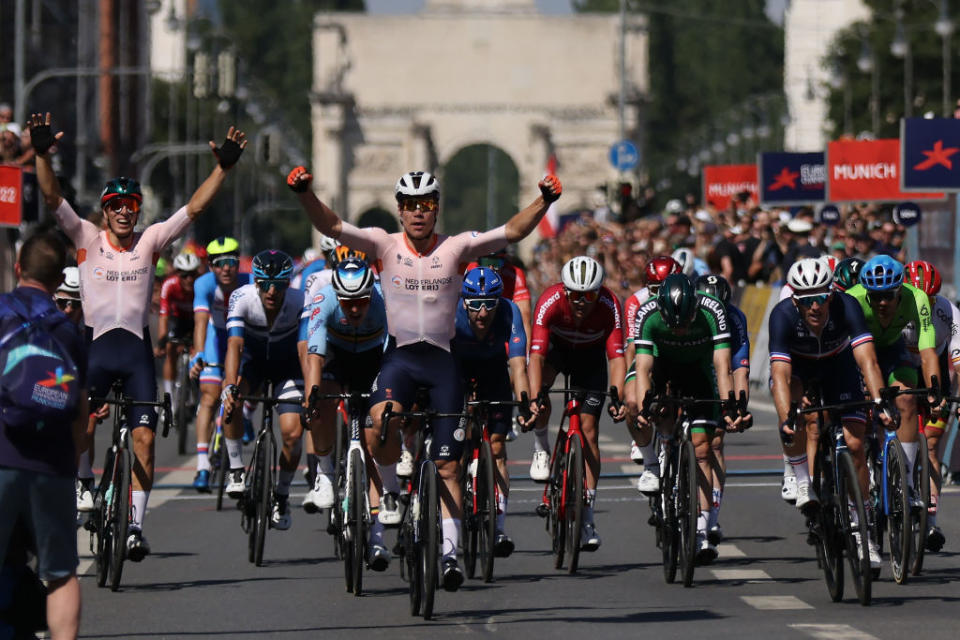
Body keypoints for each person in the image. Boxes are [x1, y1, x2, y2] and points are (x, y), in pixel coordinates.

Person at [288, 165, 560, 591]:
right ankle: (392, 492)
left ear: (436, 209)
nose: (418, 213)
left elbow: (511, 232)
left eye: (426, 205)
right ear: (400, 210)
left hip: (442, 363)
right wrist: (305, 193)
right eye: (411, 205)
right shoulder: (382, 243)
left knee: (451, 465)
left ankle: (449, 555)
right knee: (380, 426)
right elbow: (334, 226)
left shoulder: (456, 248)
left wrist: (544, 201)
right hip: (399, 359)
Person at [31, 111, 246, 559]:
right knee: (82, 423)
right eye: (117, 206)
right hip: (93, 350)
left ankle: (134, 524)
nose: (125, 212)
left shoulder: (150, 241)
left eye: (132, 206)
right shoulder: (86, 236)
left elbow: (194, 209)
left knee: (144, 440)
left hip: (134, 355)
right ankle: (85, 484)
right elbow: (52, 199)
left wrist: (222, 169)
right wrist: (40, 156)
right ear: (106, 211)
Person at [770, 258, 894, 569]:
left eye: (822, 297)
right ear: (795, 300)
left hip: (838, 365)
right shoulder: (782, 316)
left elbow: (868, 361)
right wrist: (788, 417)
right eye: (807, 300)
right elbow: (781, 375)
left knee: (855, 444)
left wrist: (881, 402)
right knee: (792, 410)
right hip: (800, 367)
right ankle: (801, 479)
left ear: (831, 294)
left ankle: (863, 527)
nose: (816, 306)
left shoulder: (847, 306)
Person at [0, 233, 87, 640]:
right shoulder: (68, 332)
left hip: (2, 457)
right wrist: (71, 461)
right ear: (57, 282)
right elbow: (80, 410)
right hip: (51, 464)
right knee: (60, 574)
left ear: (19, 268)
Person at [632, 273, 741, 563]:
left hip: (699, 369)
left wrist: (729, 406)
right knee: (657, 410)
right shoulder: (648, 313)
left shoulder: (712, 310)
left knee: (703, 448)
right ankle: (664, 452)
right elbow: (643, 368)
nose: (679, 329)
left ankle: (703, 528)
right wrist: (647, 407)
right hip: (663, 365)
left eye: (685, 322)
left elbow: (722, 365)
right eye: (673, 324)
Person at [527, 255, 628, 551]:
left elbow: (618, 358)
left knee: (589, 430)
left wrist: (617, 395)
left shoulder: (610, 306)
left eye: (589, 295)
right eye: (575, 294)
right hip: (558, 352)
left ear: (599, 292)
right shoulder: (549, 300)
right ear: (564, 290)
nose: (582, 301)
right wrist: (535, 396)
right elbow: (536, 357)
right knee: (540, 397)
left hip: (590, 359)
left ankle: (587, 514)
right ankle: (541, 448)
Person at [301, 257, 394, 570]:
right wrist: (311, 398)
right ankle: (325, 474)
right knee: (320, 403)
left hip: (373, 359)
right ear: (337, 296)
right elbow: (314, 356)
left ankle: (379, 536)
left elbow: (393, 358)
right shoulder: (323, 299)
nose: (354, 309)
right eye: (348, 303)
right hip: (337, 356)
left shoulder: (384, 302)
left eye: (361, 302)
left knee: (375, 436)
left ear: (371, 294)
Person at [846, 255, 944, 511]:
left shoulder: (916, 298)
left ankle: (907, 483)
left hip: (892, 351)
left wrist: (935, 391)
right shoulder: (853, 298)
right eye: (875, 296)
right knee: (863, 402)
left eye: (889, 295)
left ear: (900, 289)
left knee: (907, 398)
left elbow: (927, 352)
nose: (882, 302)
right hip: (857, 354)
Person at [221, 250, 309, 531]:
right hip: (253, 365)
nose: (272, 291)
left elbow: (304, 347)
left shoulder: (300, 300)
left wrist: (311, 389)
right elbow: (235, 345)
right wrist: (230, 385)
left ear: (288, 284)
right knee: (231, 402)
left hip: (287, 368)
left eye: (280, 285)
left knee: (293, 434)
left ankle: (281, 494)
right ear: (255, 281)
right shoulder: (241, 297)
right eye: (266, 284)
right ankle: (236, 470)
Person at [452, 266, 534, 558]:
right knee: (453, 449)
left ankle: (498, 526)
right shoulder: (452, 312)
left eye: (489, 304)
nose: (483, 313)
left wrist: (524, 403)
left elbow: (517, 365)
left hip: (493, 371)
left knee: (497, 447)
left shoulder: (509, 312)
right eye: (475, 304)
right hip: (456, 368)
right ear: (464, 302)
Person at [902, 260, 960, 551]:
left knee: (932, 444)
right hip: (900, 372)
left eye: (931, 296)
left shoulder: (948, 312)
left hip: (934, 375)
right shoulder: (895, 305)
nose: (925, 301)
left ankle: (930, 520)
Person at [188, 237, 253, 491]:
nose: (225, 268)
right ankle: (202, 465)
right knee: (209, 397)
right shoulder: (203, 284)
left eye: (230, 262)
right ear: (210, 267)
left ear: (238, 264)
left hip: (242, 340)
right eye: (218, 263)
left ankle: (245, 412)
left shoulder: (249, 282)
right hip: (216, 339)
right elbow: (201, 321)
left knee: (242, 387)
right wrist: (199, 353)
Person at [694, 274, 752, 543]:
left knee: (714, 442)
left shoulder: (735, 318)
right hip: (693, 365)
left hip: (720, 372)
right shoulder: (690, 312)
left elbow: (739, 369)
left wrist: (738, 408)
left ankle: (711, 515)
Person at [623, 255, 681, 476]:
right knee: (633, 401)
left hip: (678, 351)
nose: (661, 295)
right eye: (656, 289)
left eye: (667, 287)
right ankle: (650, 461)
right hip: (647, 352)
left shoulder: (688, 297)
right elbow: (632, 349)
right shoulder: (636, 302)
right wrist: (632, 389)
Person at [158, 252, 201, 404]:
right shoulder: (169, 285)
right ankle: (169, 397)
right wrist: (161, 342)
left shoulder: (201, 285)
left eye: (192, 274)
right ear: (177, 275)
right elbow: (164, 315)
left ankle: (197, 394)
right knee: (170, 350)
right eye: (184, 275)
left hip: (197, 321)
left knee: (199, 354)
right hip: (178, 320)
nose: (189, 279)